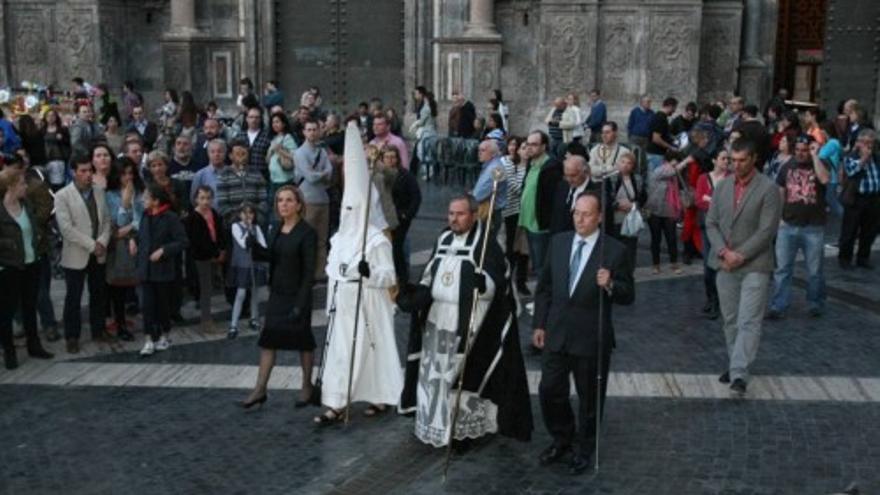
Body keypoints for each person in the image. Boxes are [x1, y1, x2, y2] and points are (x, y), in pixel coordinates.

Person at [398, 193, 533, 447]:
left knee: (461, 376)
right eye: (451, 214)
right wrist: (415, 295)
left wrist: (485, 284)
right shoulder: (444, 238)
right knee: (436, 377)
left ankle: (461, 429)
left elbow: (500, 280)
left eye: (460, 214)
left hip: (470, 321)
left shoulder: (485, 245)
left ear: (473, 215)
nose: (454, 219)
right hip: (438, 318)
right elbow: (430, 274)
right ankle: (435, 424)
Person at [532, 192, 634, 475]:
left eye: (586, 214)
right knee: (549, 389)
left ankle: (584, 447)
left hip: (591, 336)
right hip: (556, 332)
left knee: (589, 398)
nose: (579, 218)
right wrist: (540, 324)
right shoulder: (559, 243)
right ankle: (561, 437)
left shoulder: (613, 251)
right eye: (576, 213)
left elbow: (628, 295)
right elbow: (545, 288)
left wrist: (611, 283)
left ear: (600, 217)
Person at [314, 122, 401, 424]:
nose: (348, 213)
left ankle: (379, 395)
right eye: (346, 208)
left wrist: (369, 273)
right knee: (341, 355)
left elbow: (389, 276)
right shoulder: (339, 239)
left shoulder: (375, 239)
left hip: (368, 303)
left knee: (370, 351)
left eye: (354, 208)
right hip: (344, 305)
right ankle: (336, 402)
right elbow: (332, 271)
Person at [705, 139, 782, 396]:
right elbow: (711, 222)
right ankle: (735, 363)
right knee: (730, 319)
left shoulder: (768, 189)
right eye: (732, 160)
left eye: (741, 160)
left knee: (749, 319)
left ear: (754, 159)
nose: (735, 165)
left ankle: (739, 372)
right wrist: (723, 252)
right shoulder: (723, 186)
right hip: (724, 262)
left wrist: (741, 255)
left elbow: (767, 230)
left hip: (755, 265)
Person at [240, 185, 318, 409]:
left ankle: (306, 386)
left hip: (297, 295)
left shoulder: (307, 233)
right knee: (268, 341)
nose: (283, 204)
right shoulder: (276, 228)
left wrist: (300, 304)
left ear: (299, 205)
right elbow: (272, 257)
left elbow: (308, 272)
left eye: (288, 200)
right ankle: (260, 389)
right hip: (278, 294)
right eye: (280, 200)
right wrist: (254, 248)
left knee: (303, 342)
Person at [767, 135, 830, 319]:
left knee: (814, 270)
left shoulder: (820, 162)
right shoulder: (787, 165)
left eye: (805, 150)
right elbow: (780, 192)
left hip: (814, 227)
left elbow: (825, 179)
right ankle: (779, 305)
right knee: (782, 269)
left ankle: (815, 303)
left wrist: (815, 155)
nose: (801, 154)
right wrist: (778, 218)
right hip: (788, 226)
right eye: (799, 150)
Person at [55, 154, 112, 354]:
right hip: (77, 254)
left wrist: (102, 241)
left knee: (98, 293)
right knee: (74, 297)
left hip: (98, 253)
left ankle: (99, 329)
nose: (88, 175)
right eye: (83, 171)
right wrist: (91, 244)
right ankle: (72, 336)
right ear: (73, 172)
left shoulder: (99, 191)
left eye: (90, 170)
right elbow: (66, 229)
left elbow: (106, 221)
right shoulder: (63, 195)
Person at [0, 167, 55, 369]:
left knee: (30, 306)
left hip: (32, 263)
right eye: (22, 183)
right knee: (6, 312)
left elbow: (35, 229)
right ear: (12, 186)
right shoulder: (1, 210)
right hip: (9, 267)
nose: (26, 186)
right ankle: (9, 351)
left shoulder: (26, 204)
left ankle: (34, 345)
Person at [134, 183, 189, 357]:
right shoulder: (145, 216)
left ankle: (164, 335)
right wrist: (133, 240)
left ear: (156, 201)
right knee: (147, 306)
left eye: (146, 198)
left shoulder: (170, 218)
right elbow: (141, 235)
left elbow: (182, 242)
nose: (143, 201)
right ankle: (149, 339)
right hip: (145, 270)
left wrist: (164, 251)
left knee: (162, 306)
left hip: (163, 271)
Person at [104, 158, 144, 342]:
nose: (128, 177)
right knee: (118, 288)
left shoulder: (141, 192)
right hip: (118, 248)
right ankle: (120, 323)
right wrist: (125, 204)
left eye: (130, 173)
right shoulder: (110, 195)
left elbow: (141, 220)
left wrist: (130, 231)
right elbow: (116, 225)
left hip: (139, 242)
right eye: (124, 173)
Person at [519, 131, 563, 281]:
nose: (529, 148)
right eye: (528, 144)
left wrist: (548, 222)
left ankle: (544, 301)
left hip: (540, 224)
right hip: (527, 221)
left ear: (543, 146)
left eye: (534, 144)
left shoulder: (551, 166)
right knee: (535, 263)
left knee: (541, 266)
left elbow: (553, 199)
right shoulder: (531, 163)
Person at [294, 120, 333, 281]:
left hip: (323, 199)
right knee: (307, 238)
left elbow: (330, 172)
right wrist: (321, 173)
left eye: (314, 129)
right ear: (304, 132)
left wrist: (319, 174)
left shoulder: (322, 152)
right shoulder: (299, 153)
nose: (312, 132)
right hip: (307, 199)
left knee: (322, 239)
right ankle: (305, 272)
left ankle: (320, 271)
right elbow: (309, 177)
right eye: (308, 129)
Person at [694, 149, 731, 320]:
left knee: (720, 264)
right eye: (723, 158)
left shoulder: (731, 178)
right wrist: (716, 201)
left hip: (725, 227)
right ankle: (711, 298)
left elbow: (730, 202)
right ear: (714, 160)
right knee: (709, 266)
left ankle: (720, 301)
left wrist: (711, 199)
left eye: (727, 159)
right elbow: (699, 201)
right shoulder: (704, 178)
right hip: (707, 226)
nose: (726, 161)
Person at [184, 186, 226, 334]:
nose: (206, 201)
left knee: (209, 289)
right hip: (200, 258)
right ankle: (206, 320)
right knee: (205, 290)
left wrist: (221, 249)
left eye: (208, 198)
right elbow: (198, 241)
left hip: (212, 255)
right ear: (196, 199)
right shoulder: (193, 218)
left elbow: (219, 232)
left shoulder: (213, 213)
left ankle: (207, 318)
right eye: (202, 198)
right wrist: (214, 253)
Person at [838, 128, 880, 270]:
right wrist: (863, 159)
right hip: (856, 199)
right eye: (866, 143)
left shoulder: (876, 157)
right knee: (850, 230)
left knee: (869, 231)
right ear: (859, 143)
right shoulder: (851, 156)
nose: (869, 147)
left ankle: (863, 258)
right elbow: (851, 171)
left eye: (872, 143)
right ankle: (845, 258)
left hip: (873, 198)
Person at [226, 202, 267, 339]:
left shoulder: (257, 228)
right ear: (239, 214)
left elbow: (263, 245)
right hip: (243, 264)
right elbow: (243, 243)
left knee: (255, 293)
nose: (248, 215)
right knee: (241, 294)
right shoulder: (235, 226)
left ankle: (254, 318)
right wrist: (248, 230)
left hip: (255, 263)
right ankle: (233, 324)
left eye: (250, 212)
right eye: (244, 212)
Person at [644, 152, 689, 274]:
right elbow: (669, 172)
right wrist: (685, 162)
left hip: (670, 211)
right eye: (675, 161)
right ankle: (656, 264)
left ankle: (674, 263)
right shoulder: (660, 170)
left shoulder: (676, 175)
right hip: (655, 210)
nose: (677, 164)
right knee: (656, 239)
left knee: (671, 238)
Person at [382, 146, 421, 285]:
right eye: (387, 157)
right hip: (383, 217)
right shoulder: (381, 175)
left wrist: (407, 214)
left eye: (393, 157)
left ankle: (402, 278)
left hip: (400, 218)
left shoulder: (405, 175)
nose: (390, 160)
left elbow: (416, 196)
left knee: (397, 248)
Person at [501, 137, 530, 295]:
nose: (527, 150)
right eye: (523, 147)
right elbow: (517, 188)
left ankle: (521, 280)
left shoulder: (530, 167)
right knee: (512, 247)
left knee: (524, 249)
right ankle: (507, 279)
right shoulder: (511, 165)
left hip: (525, 212)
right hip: (512, 212)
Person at [216, 140, 268, 226]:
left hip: (255, 223)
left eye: (244, 153)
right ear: (230, 156)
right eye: (237, 154)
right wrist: (239, 215)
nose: (241, 157)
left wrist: (253, 214)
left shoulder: (256, 174)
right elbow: (222, 205)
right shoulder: (224, 175)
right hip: (232, 225)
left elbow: (264, 201)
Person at [609, 151, 646, 271]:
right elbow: (606, 197)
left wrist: (633, 205)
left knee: (630, 247)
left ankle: (629, 271)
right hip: (615, 218)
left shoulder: (637, 179)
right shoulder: (611, 178)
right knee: (615, 246)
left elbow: (643, 197)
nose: (625, 165)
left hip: (630, 218)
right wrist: (616, 205)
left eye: (629, 163)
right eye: (623, 162)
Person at [471, 139, 507, 234]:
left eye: (483, 150)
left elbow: (479, 194)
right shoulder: (490, 165)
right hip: (489, 211)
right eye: (479, 150)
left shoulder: (495, 168)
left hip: (491, 213)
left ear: (492, 153)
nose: (479, 153)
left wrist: (468, 200)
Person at [267, 111, 299, 211]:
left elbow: (295, 156)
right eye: (273, 122)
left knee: (283, 206)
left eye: (277, 122)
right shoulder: (274, 138)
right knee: (275, 206)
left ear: (284, 124)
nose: (275, 125)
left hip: (284, 179)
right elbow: (268, 159)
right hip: (274, 179)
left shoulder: (287, 137)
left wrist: (279, 150)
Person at [236, 106, 273, 179]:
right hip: (242, 176)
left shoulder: (267, 136)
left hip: (261, 176)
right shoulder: (239, 136)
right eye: (251, 117)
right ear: (246, 119)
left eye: (257, 117)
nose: (254, 120)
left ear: (260, 119)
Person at [190, 139, 228, 208]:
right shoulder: (200, 175)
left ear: (225, 153)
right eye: (212, 152)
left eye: (220, 151)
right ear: (208, 154)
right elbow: (194, 199)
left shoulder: (232, 172)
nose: (216, 154)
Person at [409, 86, 437, 178]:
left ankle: (429, 172)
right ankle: (429, 171)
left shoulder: (426, 108)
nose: (415, 96)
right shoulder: (429, 106)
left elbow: (421, 121)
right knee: (426, 153)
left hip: (426, 133)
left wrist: (414, 125)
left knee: (422, 153)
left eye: (416, 94)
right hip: (430, 132)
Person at [645, 97, 679, 171]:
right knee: (655, 178)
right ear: (670, 106)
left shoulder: (659, 116)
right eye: (674, 108)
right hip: (656, 154)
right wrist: (670, 147)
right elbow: (656, 138)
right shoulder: (661, 118)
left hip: (655, 154)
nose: (674, 111)